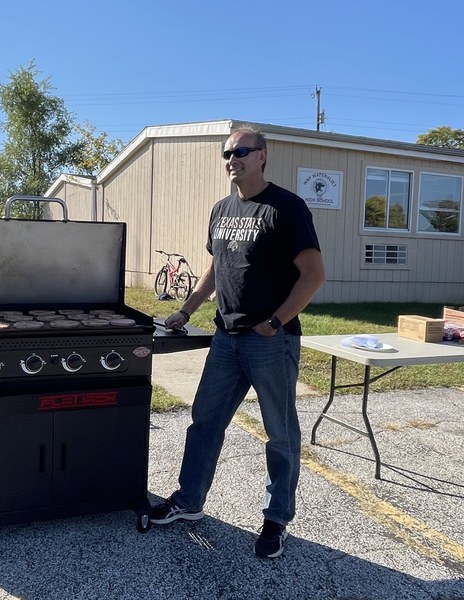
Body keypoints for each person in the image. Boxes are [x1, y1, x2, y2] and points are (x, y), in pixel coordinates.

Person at [151, 125, 325, 559]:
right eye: (227, 154)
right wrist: (187, 309)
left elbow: (313, 275)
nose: (233, 160)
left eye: (242, 152)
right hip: (226, 341)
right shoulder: (221, 209)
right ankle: (189, 501)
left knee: (280, 435)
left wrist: (275, 322)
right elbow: (214, 270)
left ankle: (276, 520)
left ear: (263, 155)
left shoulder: (286, 208)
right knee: (205, 422)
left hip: (270, 342)